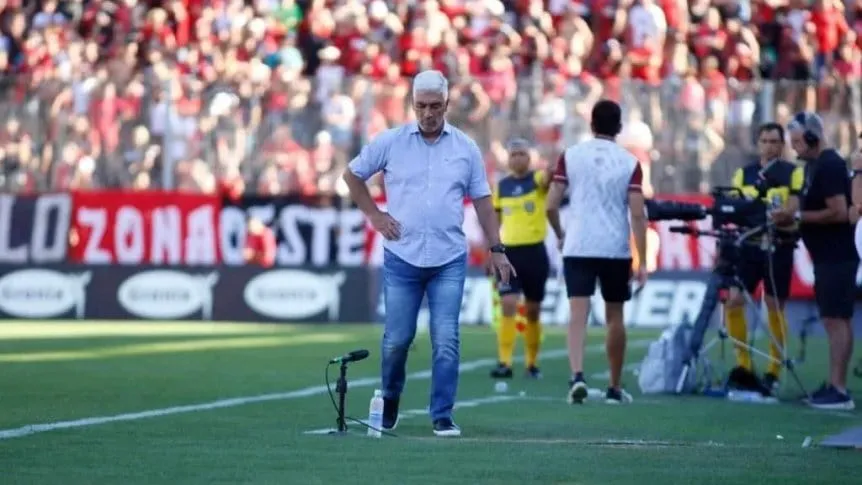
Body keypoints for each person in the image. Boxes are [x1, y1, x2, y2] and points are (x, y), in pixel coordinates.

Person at [341, 70, 515, 437]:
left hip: (448, 257)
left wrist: (496, 249)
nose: (428, 113)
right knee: (396, 339)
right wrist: (375, 214)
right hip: (402, 255)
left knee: (446, 339)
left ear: (447, 105)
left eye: (435, 106)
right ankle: (390, 401)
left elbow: (484, 203)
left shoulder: (465, 147)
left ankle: (442, 414)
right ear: (412, 104)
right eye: (421, 106)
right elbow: (352, 175)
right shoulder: (390, 142)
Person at [546, 99, 648, 404]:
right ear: (619, 127)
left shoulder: (571, 156)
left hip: (578, 243)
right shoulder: (630, 162)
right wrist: (642, 258)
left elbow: (551, 204)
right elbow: (638, 214)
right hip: (615, 247)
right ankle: (615, 388)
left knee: (578, 313)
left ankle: (577, 376)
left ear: (592, 124)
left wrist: (561, 234)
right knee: (615, 315)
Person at [772, 112, 857, 410]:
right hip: (827, 256)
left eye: (797, 141)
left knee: (836, 320)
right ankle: (834, 384)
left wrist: (797, 216)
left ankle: (839, 388)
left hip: (837, 256)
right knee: (833, 319)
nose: (794, 148)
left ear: (812, 137)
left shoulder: (830, 165)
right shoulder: (815, 166)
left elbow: (838, 210)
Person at [724, 123, 803, 397]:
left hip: (779, 246)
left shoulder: (793, 172)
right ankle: (743, 365)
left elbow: (793, 207)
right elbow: (733, 209)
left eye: (774, 141)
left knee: (774, 305)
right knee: (733, 301)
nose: (769, 146)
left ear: (782, 145)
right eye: (765, 140)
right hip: (749, 246)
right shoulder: (743, 174)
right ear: (758, 144)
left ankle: (774, 369)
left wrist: (780, 215)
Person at [488, 138, 554, 380]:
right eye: (514, 154)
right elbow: (495, 221)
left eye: (522, 154)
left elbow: (548, 179)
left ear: (531, 157)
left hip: (535, 253)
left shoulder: (536, 180)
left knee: (533, 310)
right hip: (510, 254)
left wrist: (553, 167)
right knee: (508, 303)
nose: (517, 158)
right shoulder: (502, 186)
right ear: (508, 158)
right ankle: (504, 362)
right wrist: (492, 251)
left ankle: (531, 363)